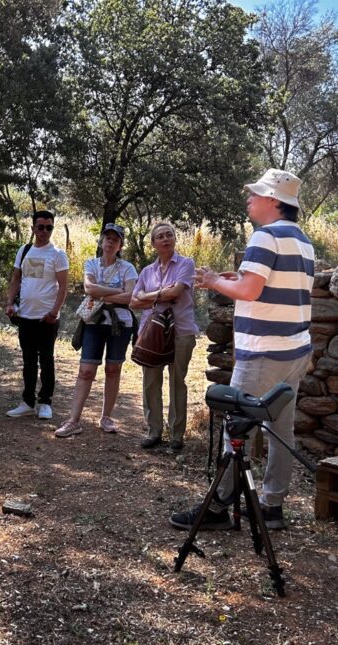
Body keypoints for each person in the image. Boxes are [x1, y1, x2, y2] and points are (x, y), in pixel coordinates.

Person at [170, 169, 313, 532]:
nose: (249, 198)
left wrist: (217, 281)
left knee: (237, 429)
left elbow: (250, 292)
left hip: (262, 351)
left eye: (256, 194)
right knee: (281, 428)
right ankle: (271, 505)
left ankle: (219, 506)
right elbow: (267, 286)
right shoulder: (301, 240)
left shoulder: (265, 237)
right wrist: (235, 281)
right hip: (295, 350)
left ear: (273, 201)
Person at [55, 223, 138, 438]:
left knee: (113, 369)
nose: (110, 242)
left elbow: (130, 296)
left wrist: (101, 295)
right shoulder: (91, 264)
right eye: (107, 238)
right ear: (102, 241)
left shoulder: (127, 268)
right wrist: (116, 292)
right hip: (94, 322)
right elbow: (88, 288)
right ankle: (73, 420)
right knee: (86, 370)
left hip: (120, 325)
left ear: (120, 245)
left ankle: (106, 417)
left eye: (115, 239)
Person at [130, 222, 200, 451]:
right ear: (153, 243)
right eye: (160, 236)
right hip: (151, 335)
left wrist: (148, 296)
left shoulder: (186, 264)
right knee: (151, 382)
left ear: (175, 239)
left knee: (177, 381)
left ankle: (177, 435)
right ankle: (154, 431)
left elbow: (176, 292)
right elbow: (133, 301)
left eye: (169, 234)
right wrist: (161, 294)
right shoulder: (146, 271)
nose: (166, 238)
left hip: (181, 331)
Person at [4, 210, 69, 419]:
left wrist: (54, 312)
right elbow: (16, 280)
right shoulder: (24, 251)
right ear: (33, 228)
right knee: (28, 360)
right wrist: (9, 303)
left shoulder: (57, 254)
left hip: (47, 318)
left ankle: (45, 402)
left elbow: (63, 287)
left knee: (47, 359)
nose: (44, 231)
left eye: (49, 227)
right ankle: (27, 401)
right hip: (26, 316)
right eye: (40, 227)